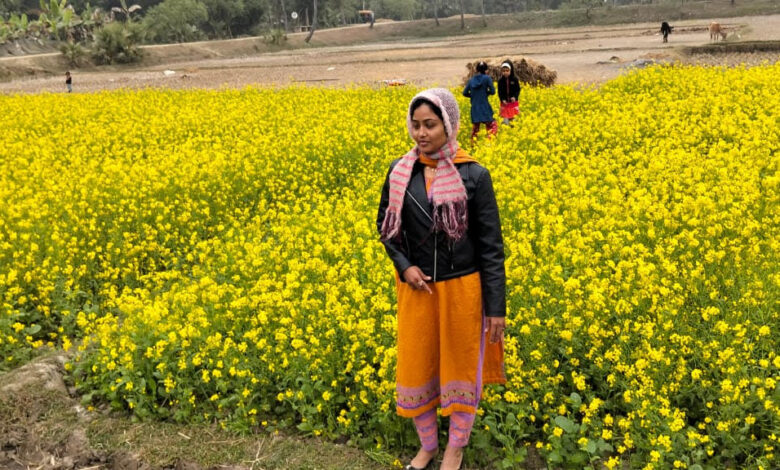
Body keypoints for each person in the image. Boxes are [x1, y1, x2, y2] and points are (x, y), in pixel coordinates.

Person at [377, 88, 507, 470]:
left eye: (430, 125)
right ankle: (428, 446)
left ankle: (455, 449)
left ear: (449, 126)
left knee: (461, 370)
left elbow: (491, 247)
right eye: (416, 125)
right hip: (417, 290)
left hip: (462, 290)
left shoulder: (474, 174)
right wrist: (405, 266)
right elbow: (386, 228)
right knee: (418, 366)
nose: (421, 133)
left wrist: (496, 309)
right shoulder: (400, 171)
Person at [463, 61, 497, 141]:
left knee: (475, 129)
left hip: (475, 108)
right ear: (486, 70)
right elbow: (493, 91)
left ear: (477, 70)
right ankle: (490, 142)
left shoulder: (471, 80)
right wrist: (486, 93)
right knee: (491, 125)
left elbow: (464, 93)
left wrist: (473, 96)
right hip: (485, 107)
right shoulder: (487, 78)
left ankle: (473, 144)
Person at [497, 60, 521, 127]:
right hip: (504, 104)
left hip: (513, 103)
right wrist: (502, 99)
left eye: (507, 71)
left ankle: (513, 129)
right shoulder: (500, 81)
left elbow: (518, 90)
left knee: (513, 120)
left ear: (510, 70)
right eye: (503, 71)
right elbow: (499, 92)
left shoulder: (514, 79)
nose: (505, 72)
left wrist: (515, 97)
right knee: (505, 121)